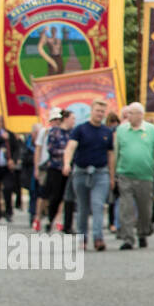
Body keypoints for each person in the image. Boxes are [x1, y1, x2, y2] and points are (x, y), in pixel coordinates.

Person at [113, 102, 154, 250]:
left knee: (145, 209)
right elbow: (116, 152)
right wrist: (114, 173)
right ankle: (128, 238)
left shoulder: (151, 130)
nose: (128, 116)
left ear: (140, 115)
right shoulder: (121, 130)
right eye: (127, 113)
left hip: (145, 176)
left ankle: (143, 233)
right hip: (125, 174)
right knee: (126, 208)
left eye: (131, 113)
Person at [63, 99, 115, 251]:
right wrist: (67, 163)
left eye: (102, 111)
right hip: (81, 171)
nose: (99, 114)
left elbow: (110, 154)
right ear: (91, 111)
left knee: (98, 205)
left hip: (100, 172)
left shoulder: (107, 132)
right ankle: (82, 238)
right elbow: (70, 147)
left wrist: (111, 176)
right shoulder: (80, 129)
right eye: (97, 110)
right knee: (83, 207)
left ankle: (98, 237)